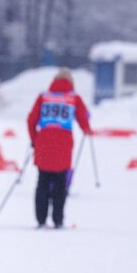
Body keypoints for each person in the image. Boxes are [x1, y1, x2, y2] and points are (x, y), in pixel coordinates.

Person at [27, 69, 91, 229]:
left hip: (43, 143)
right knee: (60, 185)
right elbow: (83, 118)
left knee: (42, 182)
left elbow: (31, 119)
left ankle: (41, 220)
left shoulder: (44, 97)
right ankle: (58, 220)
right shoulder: (74, 98)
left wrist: (34, 139)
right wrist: (87, 129)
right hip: (63, 146)